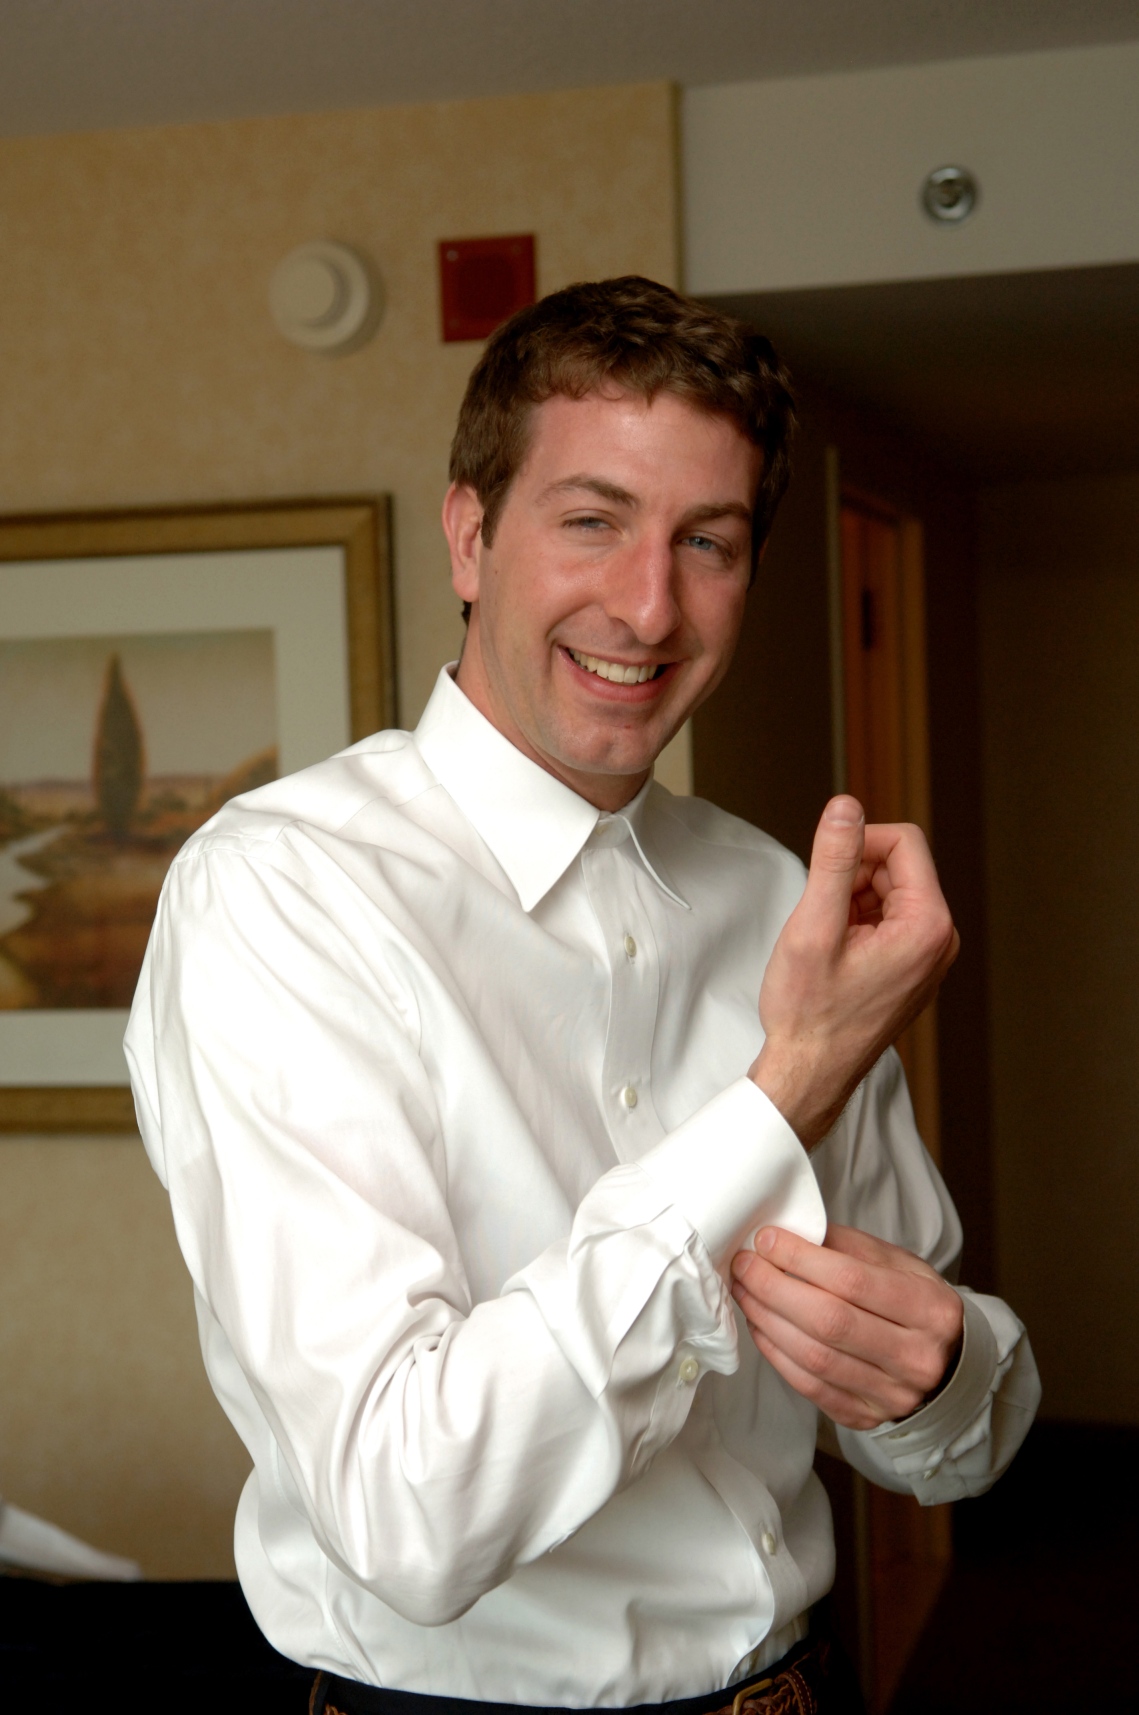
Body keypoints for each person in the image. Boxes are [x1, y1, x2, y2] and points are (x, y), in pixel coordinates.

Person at [125, 277, 1039, 1715]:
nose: (648, 605)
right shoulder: (283, 894)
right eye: (593, 520)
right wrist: (783, 1093)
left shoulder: (777, 899)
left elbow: (942, 1430)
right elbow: (408, 1516)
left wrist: (945, 1377)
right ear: (471, 535)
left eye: (707, 542)